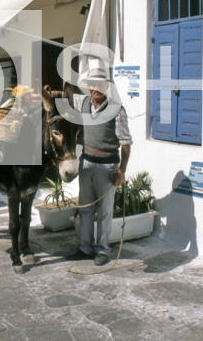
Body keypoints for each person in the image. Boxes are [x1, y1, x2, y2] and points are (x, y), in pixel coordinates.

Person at [67, 67, 132, 266]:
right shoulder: (83, 102)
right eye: (92, 84)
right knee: (86, 208)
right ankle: (85, 247)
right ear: (88, 88)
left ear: (107, 87)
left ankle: (102, 250)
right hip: (86, 163)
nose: (96, 88)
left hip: (107, 166)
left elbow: (126, 143)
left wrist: (121, 170)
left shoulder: (117, 109)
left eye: (100, 84)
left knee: (104, 211)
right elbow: (67, 96)